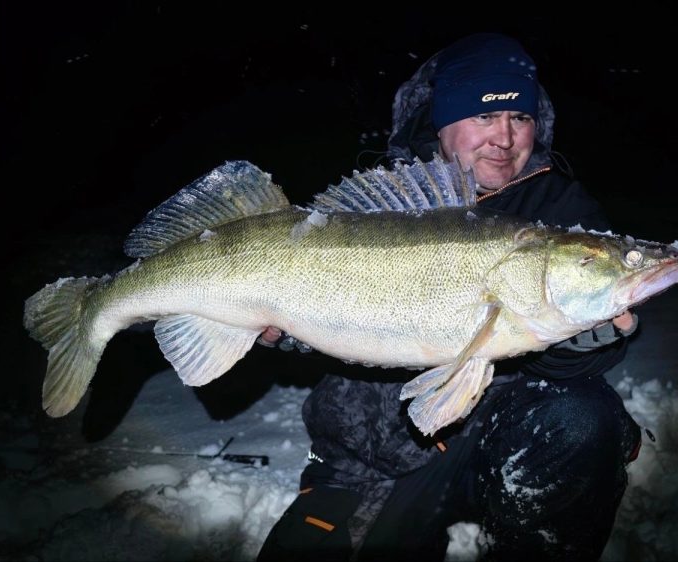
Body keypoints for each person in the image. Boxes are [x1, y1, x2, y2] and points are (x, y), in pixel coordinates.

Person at [257, 33, 641, 561]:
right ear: (440, 122)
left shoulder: (564, 206)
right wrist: (286, 330)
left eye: (520, 119)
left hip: (512, 434)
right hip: (389, 444)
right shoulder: (380, 200)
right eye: (484, 117)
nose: (504, 139)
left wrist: (581, 347)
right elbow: (322, 303)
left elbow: (591, 357)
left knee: (583, 419)